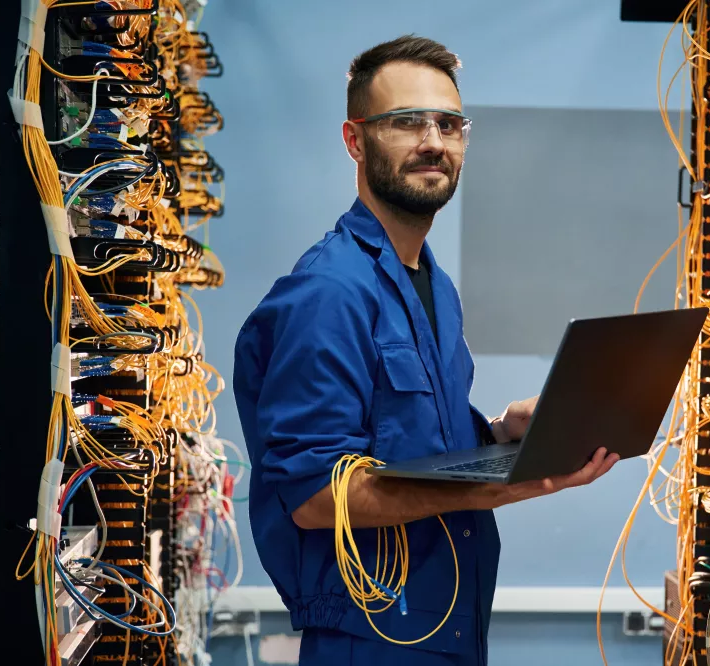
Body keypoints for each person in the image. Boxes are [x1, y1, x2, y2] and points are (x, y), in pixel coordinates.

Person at [232, 35, 619, 666]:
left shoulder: (430, 283)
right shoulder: (327, 295)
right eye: (406, 122)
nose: (433, 141)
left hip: (449, 626)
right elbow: (312, 499)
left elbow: (411, 446)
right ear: (355, 140)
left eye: (449, 123)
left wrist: (502, 436)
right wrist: (494, 489)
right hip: (375, 637)